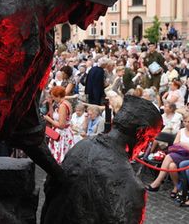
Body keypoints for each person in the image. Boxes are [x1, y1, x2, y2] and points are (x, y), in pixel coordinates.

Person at [0, 0, 128, 222]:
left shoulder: (44, 38)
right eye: (105, 2)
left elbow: (25, 122)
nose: (103, 13)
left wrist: (61, 176)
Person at [41, 95, 162, 224]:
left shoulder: (81, 146)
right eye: (148, 140)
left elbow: (50, 190)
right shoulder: (131, 186)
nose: (144, 146)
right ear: (140, 133)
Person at [146, 111, 189, 198]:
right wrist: (188, 145)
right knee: (172, 166)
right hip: (180, 154)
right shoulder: (181, 131)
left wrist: (182, 143)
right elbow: (175, 143)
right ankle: (177, 187)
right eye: (185, 121)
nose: (186, 124)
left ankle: (157, 182)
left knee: (169, 156)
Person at [44, 86, 75, 164]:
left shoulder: (63, 106)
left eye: (53, 97)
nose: (53, 99)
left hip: (62, 135)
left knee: (60, 159)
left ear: (58, 96)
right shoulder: (65, 103)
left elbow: (61, 125)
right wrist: (50, 105)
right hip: (61, 133)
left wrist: (48, 119)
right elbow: (54, 118)